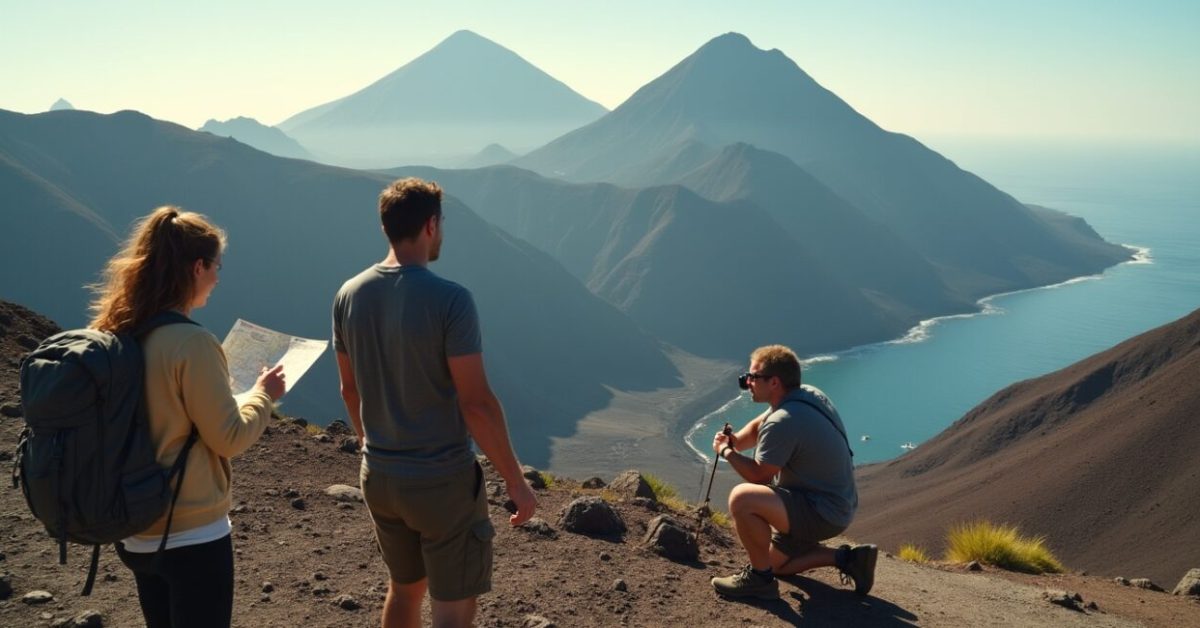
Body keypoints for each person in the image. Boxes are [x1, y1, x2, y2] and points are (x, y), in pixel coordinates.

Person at [333, 177, 537, 628]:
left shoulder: (348, 294)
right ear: (430, 225)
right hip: (441, 480)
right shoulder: (451, 300)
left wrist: (374, 445)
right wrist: (515, 482)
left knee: (404, 592)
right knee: (453, 604)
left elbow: (350, 390)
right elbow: (477, 404)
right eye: (441, 223)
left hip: (380, 475)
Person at [90, 206, 286, 628]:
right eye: (216, 266)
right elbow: (229, 438)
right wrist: (263, 396)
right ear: (198, 267)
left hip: (135, 530)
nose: (217, 277)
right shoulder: (191, 344)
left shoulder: (116, 332)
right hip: (192, 534)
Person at [710, 344, 877, 599]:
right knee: (775, 564)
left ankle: (759, 581)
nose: (747, 383)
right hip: (836, 504)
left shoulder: (785, 421)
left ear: (774, 382)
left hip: (820, 512)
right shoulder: (806, 395)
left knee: (742, 499)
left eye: (753, 377)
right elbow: (763, 423)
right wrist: (734, 441)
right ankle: (849, 559)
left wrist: (726, 452)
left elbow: (760, 476)